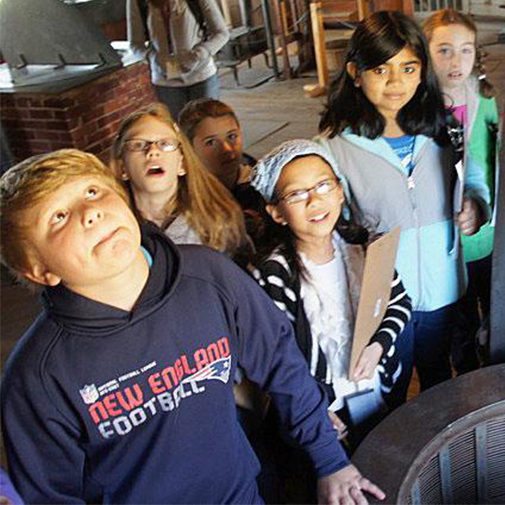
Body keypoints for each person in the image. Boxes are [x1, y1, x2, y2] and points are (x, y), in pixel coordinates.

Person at [0, 149, 386, 504]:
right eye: (58, 216)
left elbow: (282, 365)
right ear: (38, 270)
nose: (90, 212)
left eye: (93, 191)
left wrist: (330, 461)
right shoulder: (37, 378)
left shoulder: (208, 275)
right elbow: (53, 496)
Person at [317, 11, 490, 398]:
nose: (397, 82)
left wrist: (477, 206)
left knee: (439, 383)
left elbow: (474, 179)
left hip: (444, 288)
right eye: (381, 70)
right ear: (355, 73)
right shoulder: (333, 148)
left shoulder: (446, 129)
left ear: (422, 71)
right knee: (387, 392)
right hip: (382, 300)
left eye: (409, 68)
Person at [251, 139, 412, 434]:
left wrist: (378, 346)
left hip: (378, 386)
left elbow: (400, 303)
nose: (314, 201)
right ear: (276, 212)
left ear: (340, 191)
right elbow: (278, 356)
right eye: (296, 194)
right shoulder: (275, 274)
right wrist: (314, 408)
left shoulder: (363, 247)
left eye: (324, 186)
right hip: (323, 410)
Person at [423, 9, 499, 374]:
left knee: (496, 311)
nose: (457, 61)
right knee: (461, 323)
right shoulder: (420, 110)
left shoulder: (485, 99)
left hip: (488, 230)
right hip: (446, 241)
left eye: (466, 49)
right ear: (425, 53)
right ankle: (468, 387)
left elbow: (488, 159)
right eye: (445, 50)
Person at [110, 102, 248, 258]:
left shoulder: (219, 222)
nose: (153, 151)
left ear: (181, 163)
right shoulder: (111, 230)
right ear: (122, 168)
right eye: (138, 145)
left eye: (165, 144)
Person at [178, 98, 267, 245]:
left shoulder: (262, 181)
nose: (227, 149)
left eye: (232, 136)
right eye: (211, 142)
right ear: (189, 149)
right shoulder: (184, 196)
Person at [126, 0, 229, 120]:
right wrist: (154, 58)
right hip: (166, 82)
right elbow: (135, 44)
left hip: (201, 76)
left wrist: (200, 53)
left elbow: (221, 33)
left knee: (208, 125)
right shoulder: (137, 2)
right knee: (179, 131)